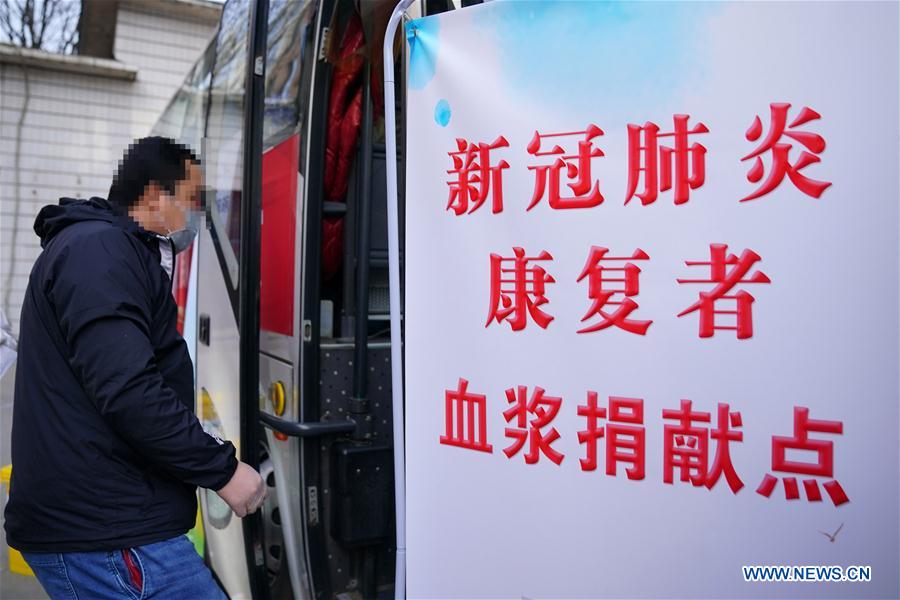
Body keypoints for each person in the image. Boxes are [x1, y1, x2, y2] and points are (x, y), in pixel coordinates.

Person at [4, 137, 266, 599]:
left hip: (105, 520)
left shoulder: (105, 249)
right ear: (152, 196)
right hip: (107, 533)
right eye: (191, 200)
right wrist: (223, 470)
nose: (196, 217)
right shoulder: (99, 253)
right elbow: (129, 391)